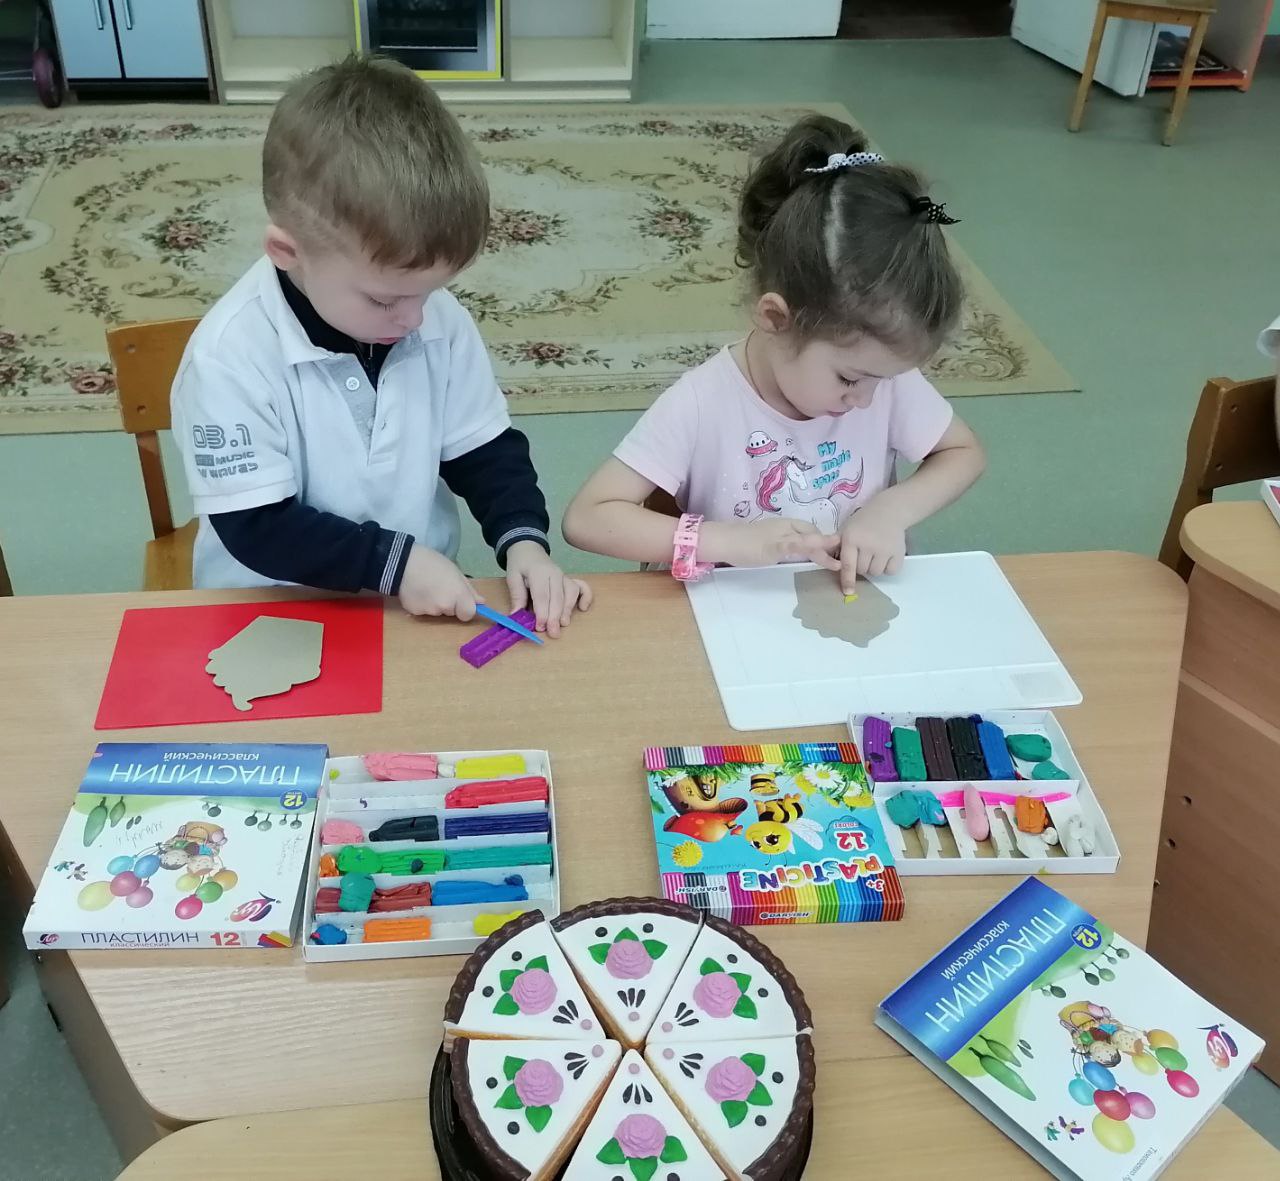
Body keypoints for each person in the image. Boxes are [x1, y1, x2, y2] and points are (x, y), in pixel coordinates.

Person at [172, 57, 588, 635]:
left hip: (405, 601)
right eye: (384, 299)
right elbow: (256, 526)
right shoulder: (227, 357)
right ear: (288, 253)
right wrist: (396, 563)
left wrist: (524, 541)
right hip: (269, 604)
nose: (415, 319)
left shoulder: (434, 319)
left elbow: (484, 450)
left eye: (431, 291)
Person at [562, 114, 985, 593]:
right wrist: (723, 541)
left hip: (849, 605)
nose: (865, 399)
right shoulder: (702, 404)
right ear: (776, 319)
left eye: (881, 381)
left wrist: (892, 509)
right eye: (848, 380)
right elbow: (588, 517)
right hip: (732, 617)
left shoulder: (877, 373)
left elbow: (962, 452)